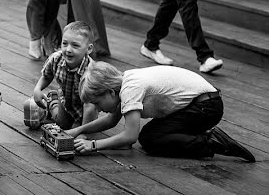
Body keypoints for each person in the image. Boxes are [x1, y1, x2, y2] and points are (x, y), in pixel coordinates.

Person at [69, 61, 254, 162]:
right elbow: (111, 120)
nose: (98, 109)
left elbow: (130, 136)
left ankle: (210, 142)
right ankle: (204, 135)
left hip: (206, 107)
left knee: (150, 139)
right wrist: (78, 131)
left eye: (98, 103)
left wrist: (93, 145)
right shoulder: (125, 82)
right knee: (150, 137)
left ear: (110, 92)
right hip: (201, 103)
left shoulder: (130, 89)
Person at [25, 21, 98, 131]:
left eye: (75, 45)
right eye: (64, 44)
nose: (68, 49)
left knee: (78, 129)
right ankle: (52, 102)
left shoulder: (92, 71)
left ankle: (79, 124)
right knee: (62, 125)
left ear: (88, 49)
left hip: (86, 107)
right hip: (66, 101)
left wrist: (84, 132)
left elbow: (90, 105)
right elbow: (47, 75)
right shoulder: (56, 58)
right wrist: (38, 89)